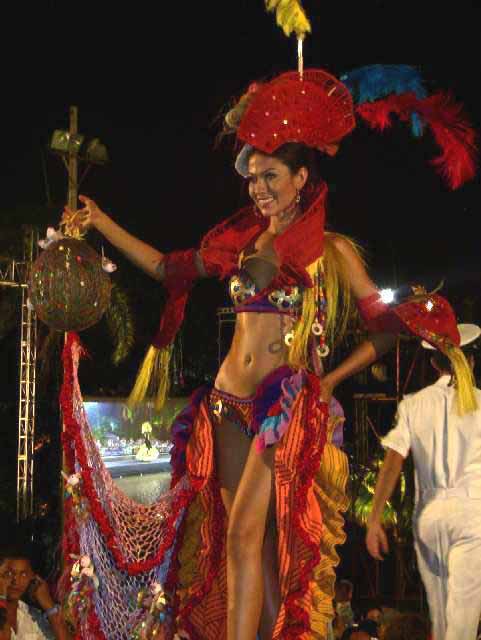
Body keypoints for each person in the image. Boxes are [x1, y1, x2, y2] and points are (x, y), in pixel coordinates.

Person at [61, 67, 475, 639]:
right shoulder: (238, 244)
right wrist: (102, 221)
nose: (258, 188)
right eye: (253, 177)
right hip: (226, 402)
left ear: (302, 177)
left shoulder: (327, 250)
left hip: (276, 408)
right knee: (245, 549)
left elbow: (383, 331)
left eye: (271, 175)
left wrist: (327, 384)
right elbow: (165, 268)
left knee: (245, 537)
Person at [366, 320, 481, 640]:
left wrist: (375, 518)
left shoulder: (414, 405)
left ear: (433, 363)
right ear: (469, 361)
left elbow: (391, 464)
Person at [0, 543, 70, 640]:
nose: (15, 581)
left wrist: (49, 605)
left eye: (23, 574)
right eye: (9, 573)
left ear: (32, 577)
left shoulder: (33, 615)